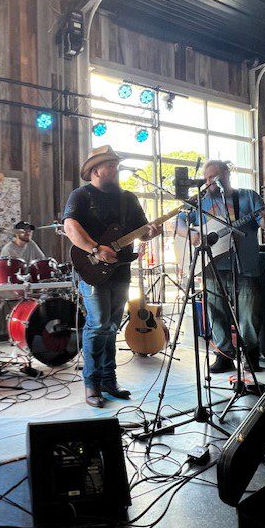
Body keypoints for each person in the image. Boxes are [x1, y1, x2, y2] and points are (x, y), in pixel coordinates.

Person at [63, 145, 161, 408]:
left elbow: (143, 231)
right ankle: (91, 384)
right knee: (97, 324)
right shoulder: (81, 195)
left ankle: (109, 380)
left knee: (112, 326)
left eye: (115, 165)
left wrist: (152, 232)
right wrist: (95, 249)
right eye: (110, 165)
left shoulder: (127, 198)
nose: (115, 169)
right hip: (92, 268)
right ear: (95, 170)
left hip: (120, 269)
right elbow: (70, 226)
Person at [176, 160, 265, 373]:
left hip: (245, 266)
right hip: (212, 265)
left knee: (249, 314)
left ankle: (250, 355)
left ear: (226, 175)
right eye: (207, 178)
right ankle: (223, 356)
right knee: (216, 312)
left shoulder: (248, 197)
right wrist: (192, 233)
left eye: (214, 176)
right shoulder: (200, 202)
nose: (209, 182)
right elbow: (178, 222)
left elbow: (264, 223)